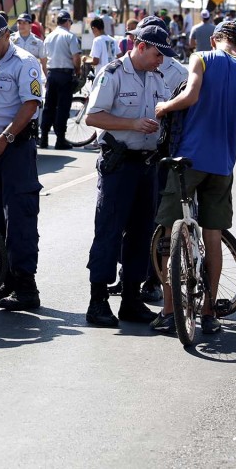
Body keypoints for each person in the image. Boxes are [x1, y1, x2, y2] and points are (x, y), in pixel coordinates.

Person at [151, 21, 236, 334]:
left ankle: (170, 310)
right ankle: (210, 312)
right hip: (223, 163)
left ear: (214, 40)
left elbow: (190, 95)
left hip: (190, 159)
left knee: (170, 230)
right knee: (213, 236)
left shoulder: (202, 58)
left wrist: (163, 107)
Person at [83, 26, 174, 327]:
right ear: (139, 45)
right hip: (119, 165)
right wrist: (132, 124)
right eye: (157, 54)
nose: (161, 61)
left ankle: (131, 299)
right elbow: (93, 117)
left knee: (141, 234)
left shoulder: (157, 77)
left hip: (147, 165)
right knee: (109, 231)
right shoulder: (114, 73)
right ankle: (98, 301)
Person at [0, 11, 44, 311]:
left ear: (6, 36)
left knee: (20, 217)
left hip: (15, 147)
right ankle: (5, 280)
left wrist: (6, 139)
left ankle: (26, 286)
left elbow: (31, 104)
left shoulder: (25, 62)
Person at [40, 10, 81, 149]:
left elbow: (44, 60)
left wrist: (47, 75)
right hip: (65, 75)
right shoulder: (70, 36)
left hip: (51, 74)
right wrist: (78, 71)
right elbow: (76, 58)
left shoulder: (49, 37)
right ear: (68, 21)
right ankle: (60, 140)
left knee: (49, 107)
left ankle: (44, 138)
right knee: (63, 108)